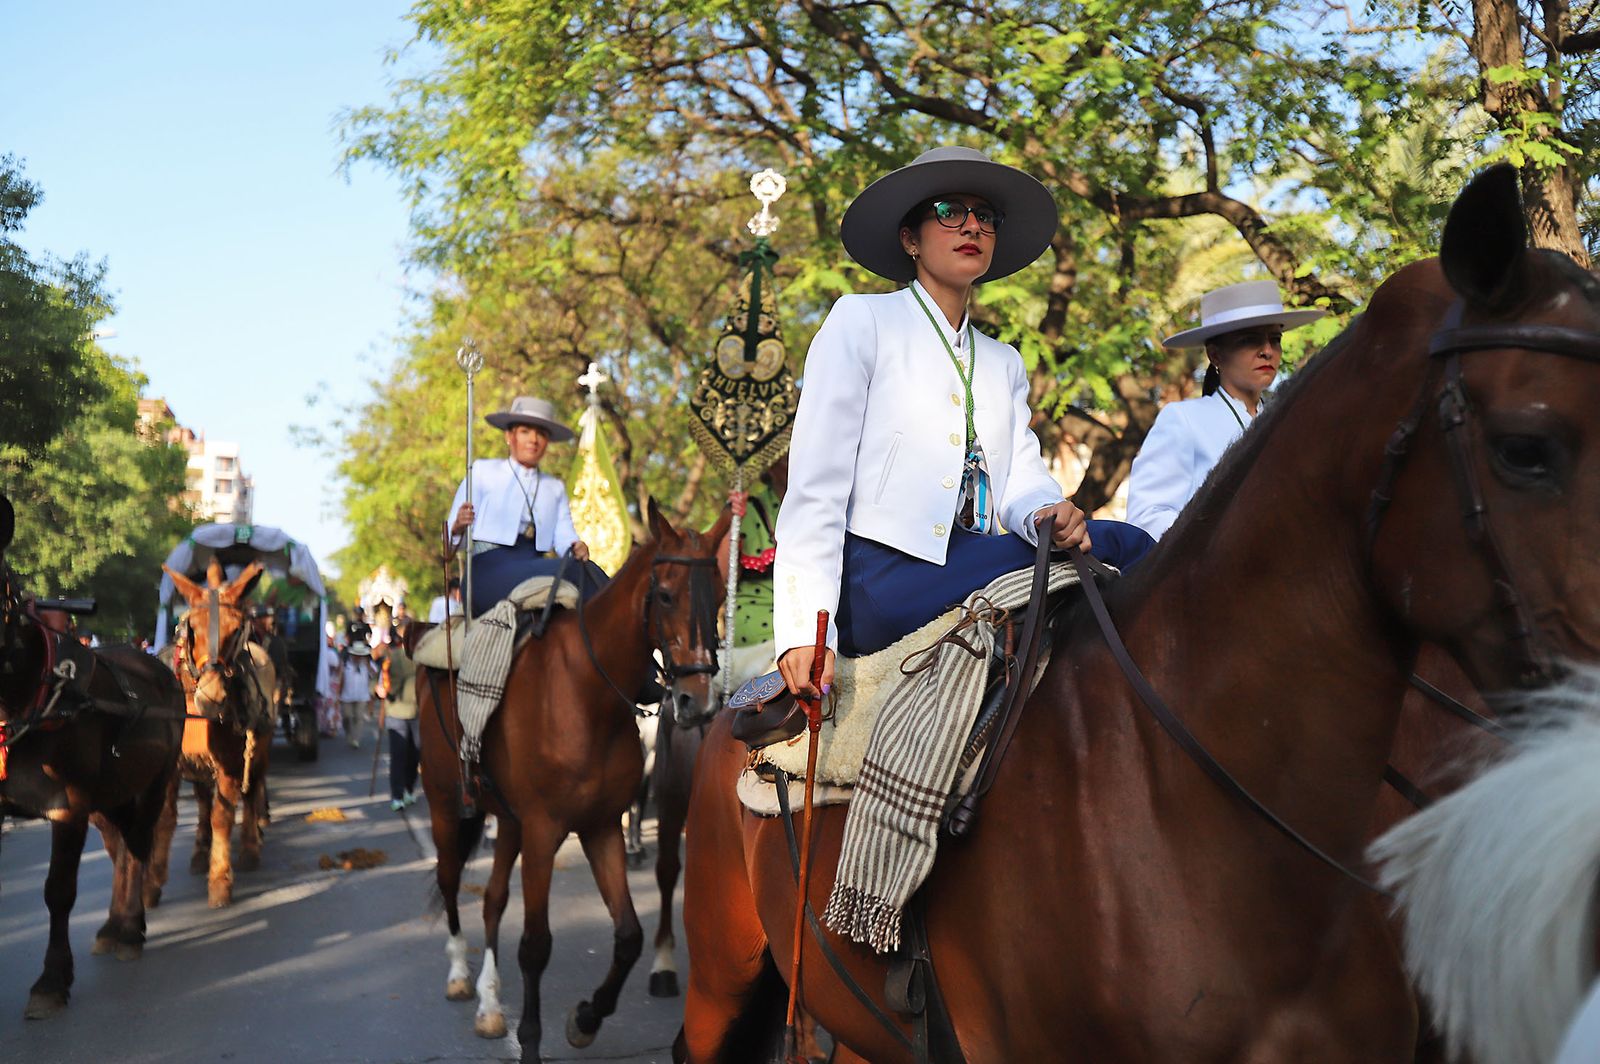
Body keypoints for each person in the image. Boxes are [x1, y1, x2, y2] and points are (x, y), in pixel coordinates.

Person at [773, 146, 1156, 698]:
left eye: (985, 217)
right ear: (911, 238)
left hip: (970, 559)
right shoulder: (862, 321)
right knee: (1123, 543)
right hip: (876, 577)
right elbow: (816, 487)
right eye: (950, 211)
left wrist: (1048, 512)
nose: (971, 224)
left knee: (1118, 546)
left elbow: (1021, 479)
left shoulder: (1003, 360)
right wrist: (806, 628)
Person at [1124, 280, 1324, 540]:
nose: (1267, 351)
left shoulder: (1291, 422)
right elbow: (1146, 518)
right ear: (1215, 355)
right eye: (1250, 340)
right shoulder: (1184, 419)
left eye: (1275, 339)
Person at [445, 396, 607, 614]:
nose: (534, 439)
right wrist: (457, 527)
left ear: (547, 442)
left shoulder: (554, 487)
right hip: (487, 571)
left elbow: (564, 536)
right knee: (572, 570)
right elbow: (449, 542)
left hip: (534, 566)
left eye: (541, 433)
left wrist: (575, 546)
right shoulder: (483, 472)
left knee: (586, 569)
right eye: (525, 432)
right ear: (509, 436)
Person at [374, 638, 421, 811]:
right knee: (399, 755)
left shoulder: (421, 656)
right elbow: (378, 679)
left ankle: (408, 789)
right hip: (396, 712)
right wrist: (378, 689)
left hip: (416, 711)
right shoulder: (390, 658)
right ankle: (397, 795)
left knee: (415, 754)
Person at [336, 629, 378, 750]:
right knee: (347, 716)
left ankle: (356, 739)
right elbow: (341, 679)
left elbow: (375, 674)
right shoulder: (346, 664)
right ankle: (349, 734)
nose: (358, 657)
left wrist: (368, 665)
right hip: (347, 696)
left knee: (359, 717)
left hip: (362, 695)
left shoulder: (367, 664)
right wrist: (337, 696)